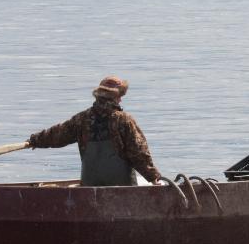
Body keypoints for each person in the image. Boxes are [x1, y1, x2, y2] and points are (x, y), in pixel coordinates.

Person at [27, 76, 163, 187]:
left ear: (98, 96)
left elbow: (57, 134)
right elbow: (138, 152)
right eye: (120, 95)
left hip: (89, 187)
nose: (121, 99)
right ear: (115, 97)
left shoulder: (82, 119)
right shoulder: (124, 120)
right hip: (122, 187)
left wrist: (34, 140)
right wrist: (153, 178)